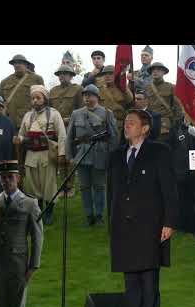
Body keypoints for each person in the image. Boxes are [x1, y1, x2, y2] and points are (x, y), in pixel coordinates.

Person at [107, 109, 178, 307]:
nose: (126, 126)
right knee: (131, 288)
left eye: (131, 123)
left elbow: (169, 191)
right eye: (125, 122)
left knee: (149, 287)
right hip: (124, 229)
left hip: (150, 228)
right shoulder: (116, 156)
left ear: (145, 128)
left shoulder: (159, 152)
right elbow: (112, 194)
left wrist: (169, 222)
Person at [0, 160, 43, 307]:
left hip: (17, 265)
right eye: (3, 177)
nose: (6, 181)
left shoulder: (30, 203)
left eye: (10, 177)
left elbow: (37, 237)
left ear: (18, 178)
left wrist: (33, 266)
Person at [65, 84, 118, 227]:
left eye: (90, 95)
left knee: (99, 186)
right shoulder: (76, 114)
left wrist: (112, 157)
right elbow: (70, 136)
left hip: (100, 154)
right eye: (85, 95)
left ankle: (99, 215)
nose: (87, 98)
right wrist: (69, 156)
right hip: (82, 154)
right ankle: (89, 215)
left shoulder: (107, 113)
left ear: (97, 97)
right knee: (84, 187)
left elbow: (113, 137)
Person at [14, 85, 66, 225]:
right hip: (31, 155)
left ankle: (48, 212)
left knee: (48, 185)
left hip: (47, 154)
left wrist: (61, 154)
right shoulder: (27, 116)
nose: (35, 101)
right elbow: (22, 134)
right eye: (33, 98)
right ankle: (37, 211)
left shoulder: (54, 114)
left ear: (45, 99)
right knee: (32, 186)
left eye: (38, 98)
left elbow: (62, 135)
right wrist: (19, 139)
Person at [49, 64, 84, 198]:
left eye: (65, 73)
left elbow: (81, 109)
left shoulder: (77, 89)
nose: (62, 76)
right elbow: (49, 110)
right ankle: (62, 186)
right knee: (59, 158)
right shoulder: (52, 91)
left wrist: (70, 120)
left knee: (69, 158)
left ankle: (70, 187)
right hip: (56, 129)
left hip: (71, 127)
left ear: (71, 76)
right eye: (60, 74)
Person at [0, 54, 45, 130]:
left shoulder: (37, 79)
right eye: (15, 63)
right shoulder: (4, 82)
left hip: (31, 122)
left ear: (26, 64)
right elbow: (1, 103)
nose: (17, 65)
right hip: (9, 123)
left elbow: (43, 102)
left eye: (20, 63)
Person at [145, 62, 183, 142]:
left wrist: (174, 124)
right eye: (153, 70)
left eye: (158, 70)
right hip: (149, 123)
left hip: (164, 124)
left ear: (164, 72)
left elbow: (178, 107)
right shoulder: (147, 88)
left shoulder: (171, 87)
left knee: (163, 148)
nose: (155, 72)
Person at [98, 65, 134, 141]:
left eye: (111, 74)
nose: (107, 76)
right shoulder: (99, 90)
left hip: (118, 124)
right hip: (102, 124)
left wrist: (124, 88)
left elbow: (131, 101)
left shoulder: (122, 88)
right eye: (105, 74)